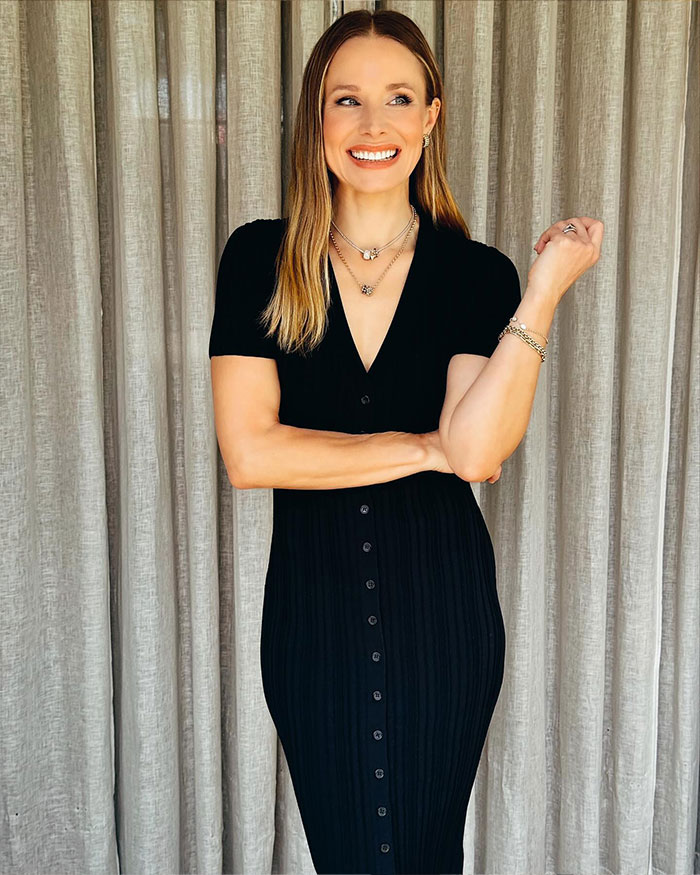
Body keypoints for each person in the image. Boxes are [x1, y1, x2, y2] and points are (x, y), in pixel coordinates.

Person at [209, 9, 602, 875]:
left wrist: (539, 295)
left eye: (398, 98)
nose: (372, 124)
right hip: (314, 622)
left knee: (424, 855)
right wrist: (428, 447)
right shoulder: (258, 261)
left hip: (445, 620)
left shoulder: (476, 273)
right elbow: (252, 454)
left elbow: (482, 447)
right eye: (346, 99)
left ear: (431, 116)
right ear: (317, 117)